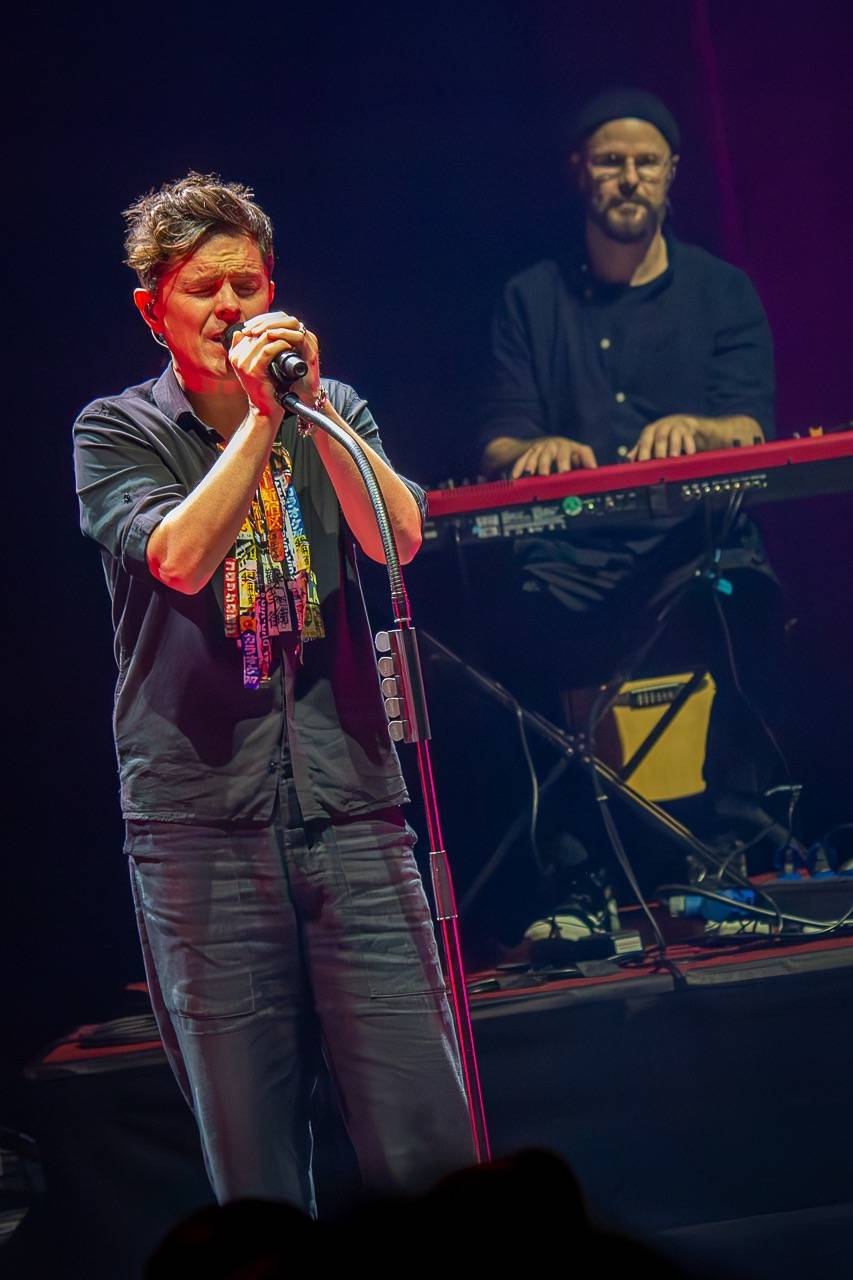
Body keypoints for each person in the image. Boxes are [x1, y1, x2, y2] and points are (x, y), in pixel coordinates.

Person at [73, 172, 474, 1211]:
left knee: (424, 1136)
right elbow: (178, 557)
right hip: (201, 824)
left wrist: (307, 410)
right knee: (254, 1161)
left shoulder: (331, 412)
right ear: (153, 309)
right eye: (202, 289)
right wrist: (258, 424)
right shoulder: (115, 429)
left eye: (245, 286)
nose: (229, 308)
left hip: (351, 805)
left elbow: (399, 537)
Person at [479, 90, 786, 933]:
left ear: (670, 173)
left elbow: (751, 427)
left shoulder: (721, 290)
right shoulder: (530, 297)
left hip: (689, 547)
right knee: (507, 625)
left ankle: (723, 860)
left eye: (645, 162)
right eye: (611, 161)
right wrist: (530, 451)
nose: (628, 178)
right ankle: (575, 884)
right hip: (569, 556)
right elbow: (499, 439)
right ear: (578, 170)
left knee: (746, 602)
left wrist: (702, 432)